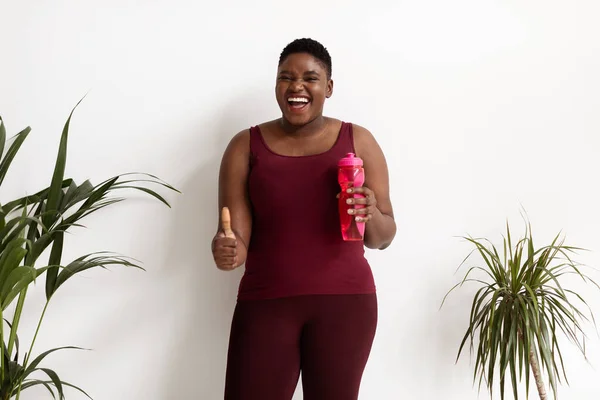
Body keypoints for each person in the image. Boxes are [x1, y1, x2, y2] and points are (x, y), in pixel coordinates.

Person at [211, 38, 396, 400]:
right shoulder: (244, 146)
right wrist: (226, 249)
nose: (297, 86)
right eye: (286, 77)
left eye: (310, 78)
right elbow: (236, 240)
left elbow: (383, 237)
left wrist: (370, 210)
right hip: (266, 304)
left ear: (328, 87)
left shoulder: (359, 140)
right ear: (277, 85)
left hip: (346, 305)